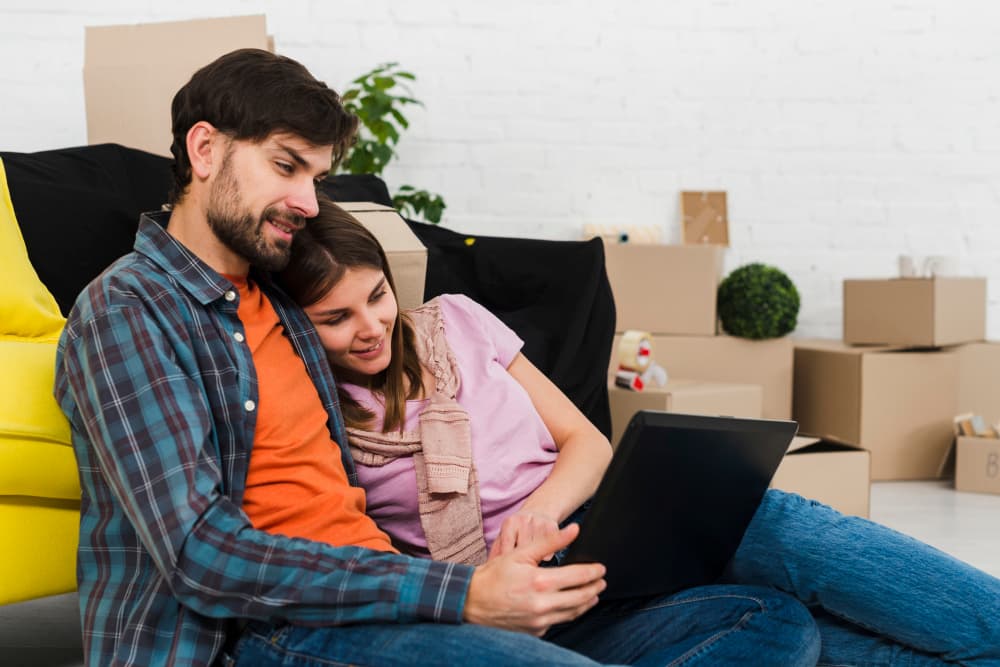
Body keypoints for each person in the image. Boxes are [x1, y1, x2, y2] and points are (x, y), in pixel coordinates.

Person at [54, 48, 821, 667]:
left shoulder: (280, 296)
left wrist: (503, 546)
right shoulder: (128, 312)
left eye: (317, 178)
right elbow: (199, 555)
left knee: (771, 623)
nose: (310, 201)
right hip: (270, 629)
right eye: (288, 167)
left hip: (386, 592)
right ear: (204, 149)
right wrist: (461, 595)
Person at [280, 197, 1000, 667]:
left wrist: (538, 513)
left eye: (375, 296)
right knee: (784, 626)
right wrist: (494, 578)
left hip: (591, 524)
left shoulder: (454, 321)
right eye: (336, 318)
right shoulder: (310, 408)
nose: (372, 326)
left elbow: (586, 439)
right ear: (296, 325)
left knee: (776, 520)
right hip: (518, 603)